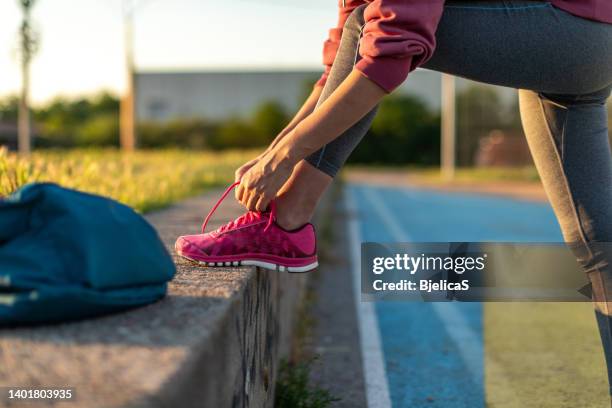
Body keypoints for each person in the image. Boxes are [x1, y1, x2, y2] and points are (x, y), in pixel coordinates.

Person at [176, 0, 612, 393]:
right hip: (586, 38)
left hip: (567, 27)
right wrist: (274, 151)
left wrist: (286, 157)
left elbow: (387, 49)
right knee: (601, 247)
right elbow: (337, 70)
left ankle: (289, 219)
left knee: (375, 31)